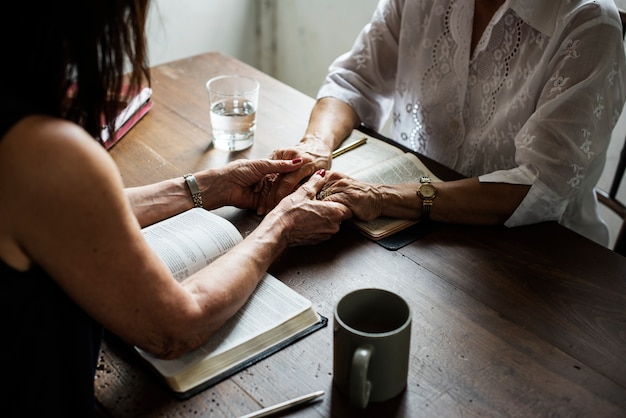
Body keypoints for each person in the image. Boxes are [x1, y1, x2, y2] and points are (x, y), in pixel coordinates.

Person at [0, 1, 350, 416]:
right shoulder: (46, 153)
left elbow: (72, 215)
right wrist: (282, 226)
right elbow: (176, 327)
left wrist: (203, 187)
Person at [261, 0, 626, 247]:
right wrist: (316, 144)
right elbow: (355, 79)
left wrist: (380, 196)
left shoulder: (589, 23)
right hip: (419, 229)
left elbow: (540, 185)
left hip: (538, 254)